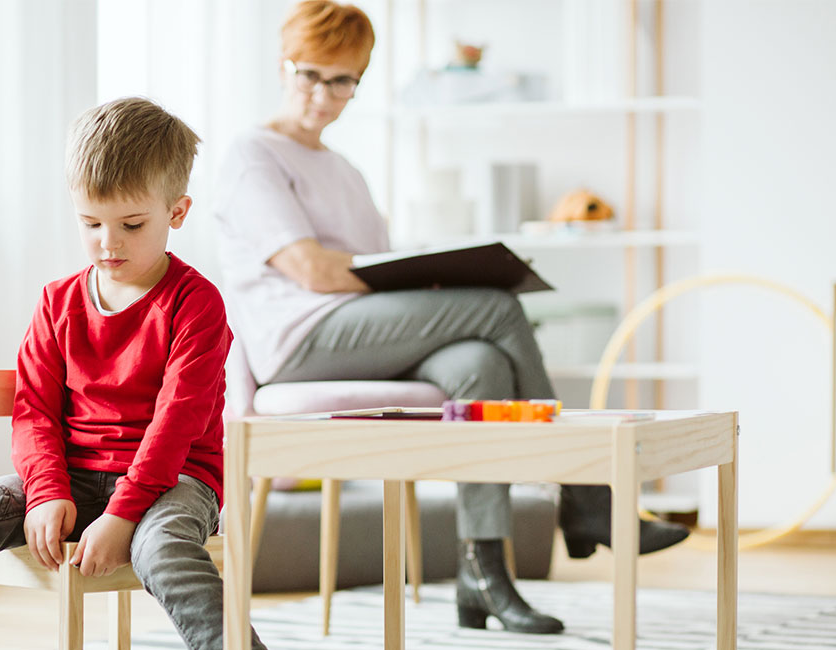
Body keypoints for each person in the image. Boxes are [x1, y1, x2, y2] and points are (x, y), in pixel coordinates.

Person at [212, 0, 689, 637]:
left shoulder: (345, 170)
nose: (324, 95)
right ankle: (586, 494)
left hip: (368, 331)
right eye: (311, 75)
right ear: (283, 65)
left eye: (343, 80)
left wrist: (422, 277)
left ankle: (482, 574)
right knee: (495, 306)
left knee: (483, 363)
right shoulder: (253, 154)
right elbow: (314, 272)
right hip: (300, 339)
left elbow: (372, 263)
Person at [0, 97, 266, 650]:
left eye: (132, 224)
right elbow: (33, 410)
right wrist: (45, 490)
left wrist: (123, 515)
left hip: (171, 482)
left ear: (177, 212)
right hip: (72, 478)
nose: (109, 241)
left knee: (164, 550)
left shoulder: (196, 303)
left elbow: (178, 424)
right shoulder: (57, 302)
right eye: (91, 222)